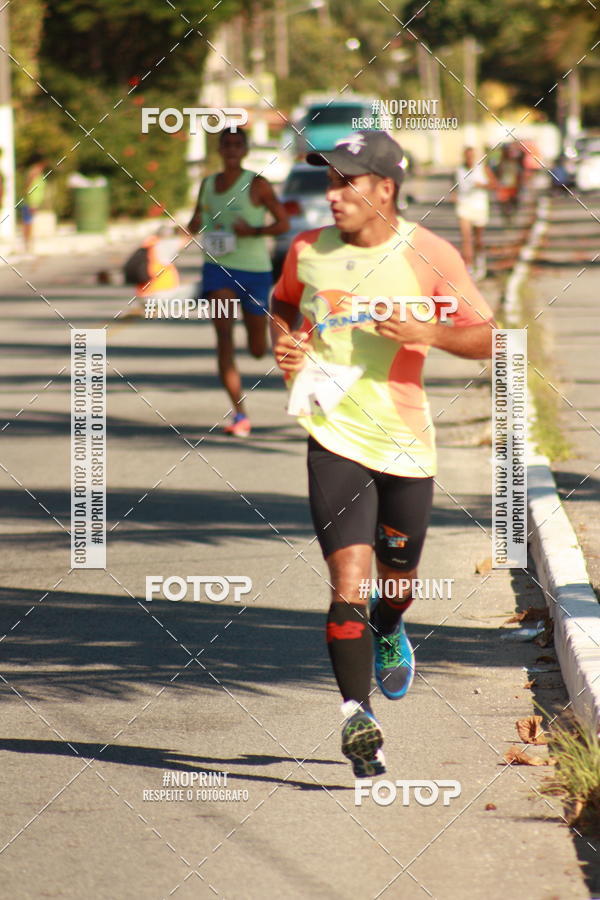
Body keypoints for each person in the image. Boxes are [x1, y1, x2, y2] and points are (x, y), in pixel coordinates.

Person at [270, 131, 496, 777]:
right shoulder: (307, 251)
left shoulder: (428, 256)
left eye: (346, 182)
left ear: (384, 189)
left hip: (405, 443)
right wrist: (285, 345)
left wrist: (432, 331)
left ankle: (392, 625)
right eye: (327, 181)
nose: (332, 195)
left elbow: (490, 338)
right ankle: (356, 716)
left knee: (396, 584)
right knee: (348, 581)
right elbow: (283, 303)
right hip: (333, 437)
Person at [187, 127, 288, 437]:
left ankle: (263, 357)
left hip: (254, 272)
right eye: (226, 144)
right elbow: (196, 221)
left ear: (245, 150)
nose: (231, 149)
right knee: (224, 340)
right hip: (218, 269)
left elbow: (283, 223)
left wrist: (253, 232)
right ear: (219, 149)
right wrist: (194, 226)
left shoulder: (257, 184)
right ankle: (239, 413)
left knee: (258, 348)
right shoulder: (207, 185)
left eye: (237, 144)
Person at [454, 147, 497, 280]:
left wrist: (482, 185)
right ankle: (468, 266)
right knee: (466, 238)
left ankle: (480, 262)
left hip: (479, 206)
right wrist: (454, 195)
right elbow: (454, 186)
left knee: (478, 239)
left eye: (472, 156)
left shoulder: (482, 169)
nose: (469, 159)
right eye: (467, 156)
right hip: (464, 206)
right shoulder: (459, 170)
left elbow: (494, 184)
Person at [22, 155, 47, 253]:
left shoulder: (37, 172)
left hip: (34, 201)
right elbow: (28, 187)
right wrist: (31, 202)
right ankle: (27, 244)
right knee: (28, 223)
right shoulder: (34, 172)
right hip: (31, 201)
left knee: (29, 222)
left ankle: (29, 243)